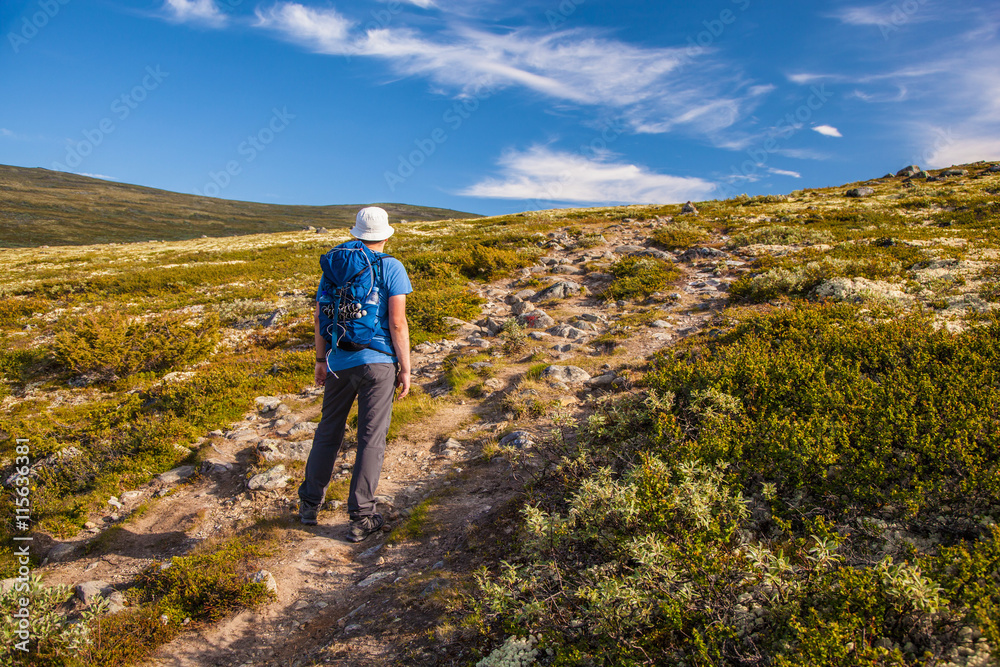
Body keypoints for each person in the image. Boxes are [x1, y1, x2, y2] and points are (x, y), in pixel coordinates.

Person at [297, 206, 412, 543]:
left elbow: (320, 316)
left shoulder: (332, 267)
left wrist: (321, 359)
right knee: (370, 438)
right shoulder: (391, 266)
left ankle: (308, 504)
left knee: (328, 432)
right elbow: (397, 323)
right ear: (387, 235)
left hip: (337, 361)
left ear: (356, 233)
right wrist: (405, 368)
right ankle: (362, 516)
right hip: (378, 363)